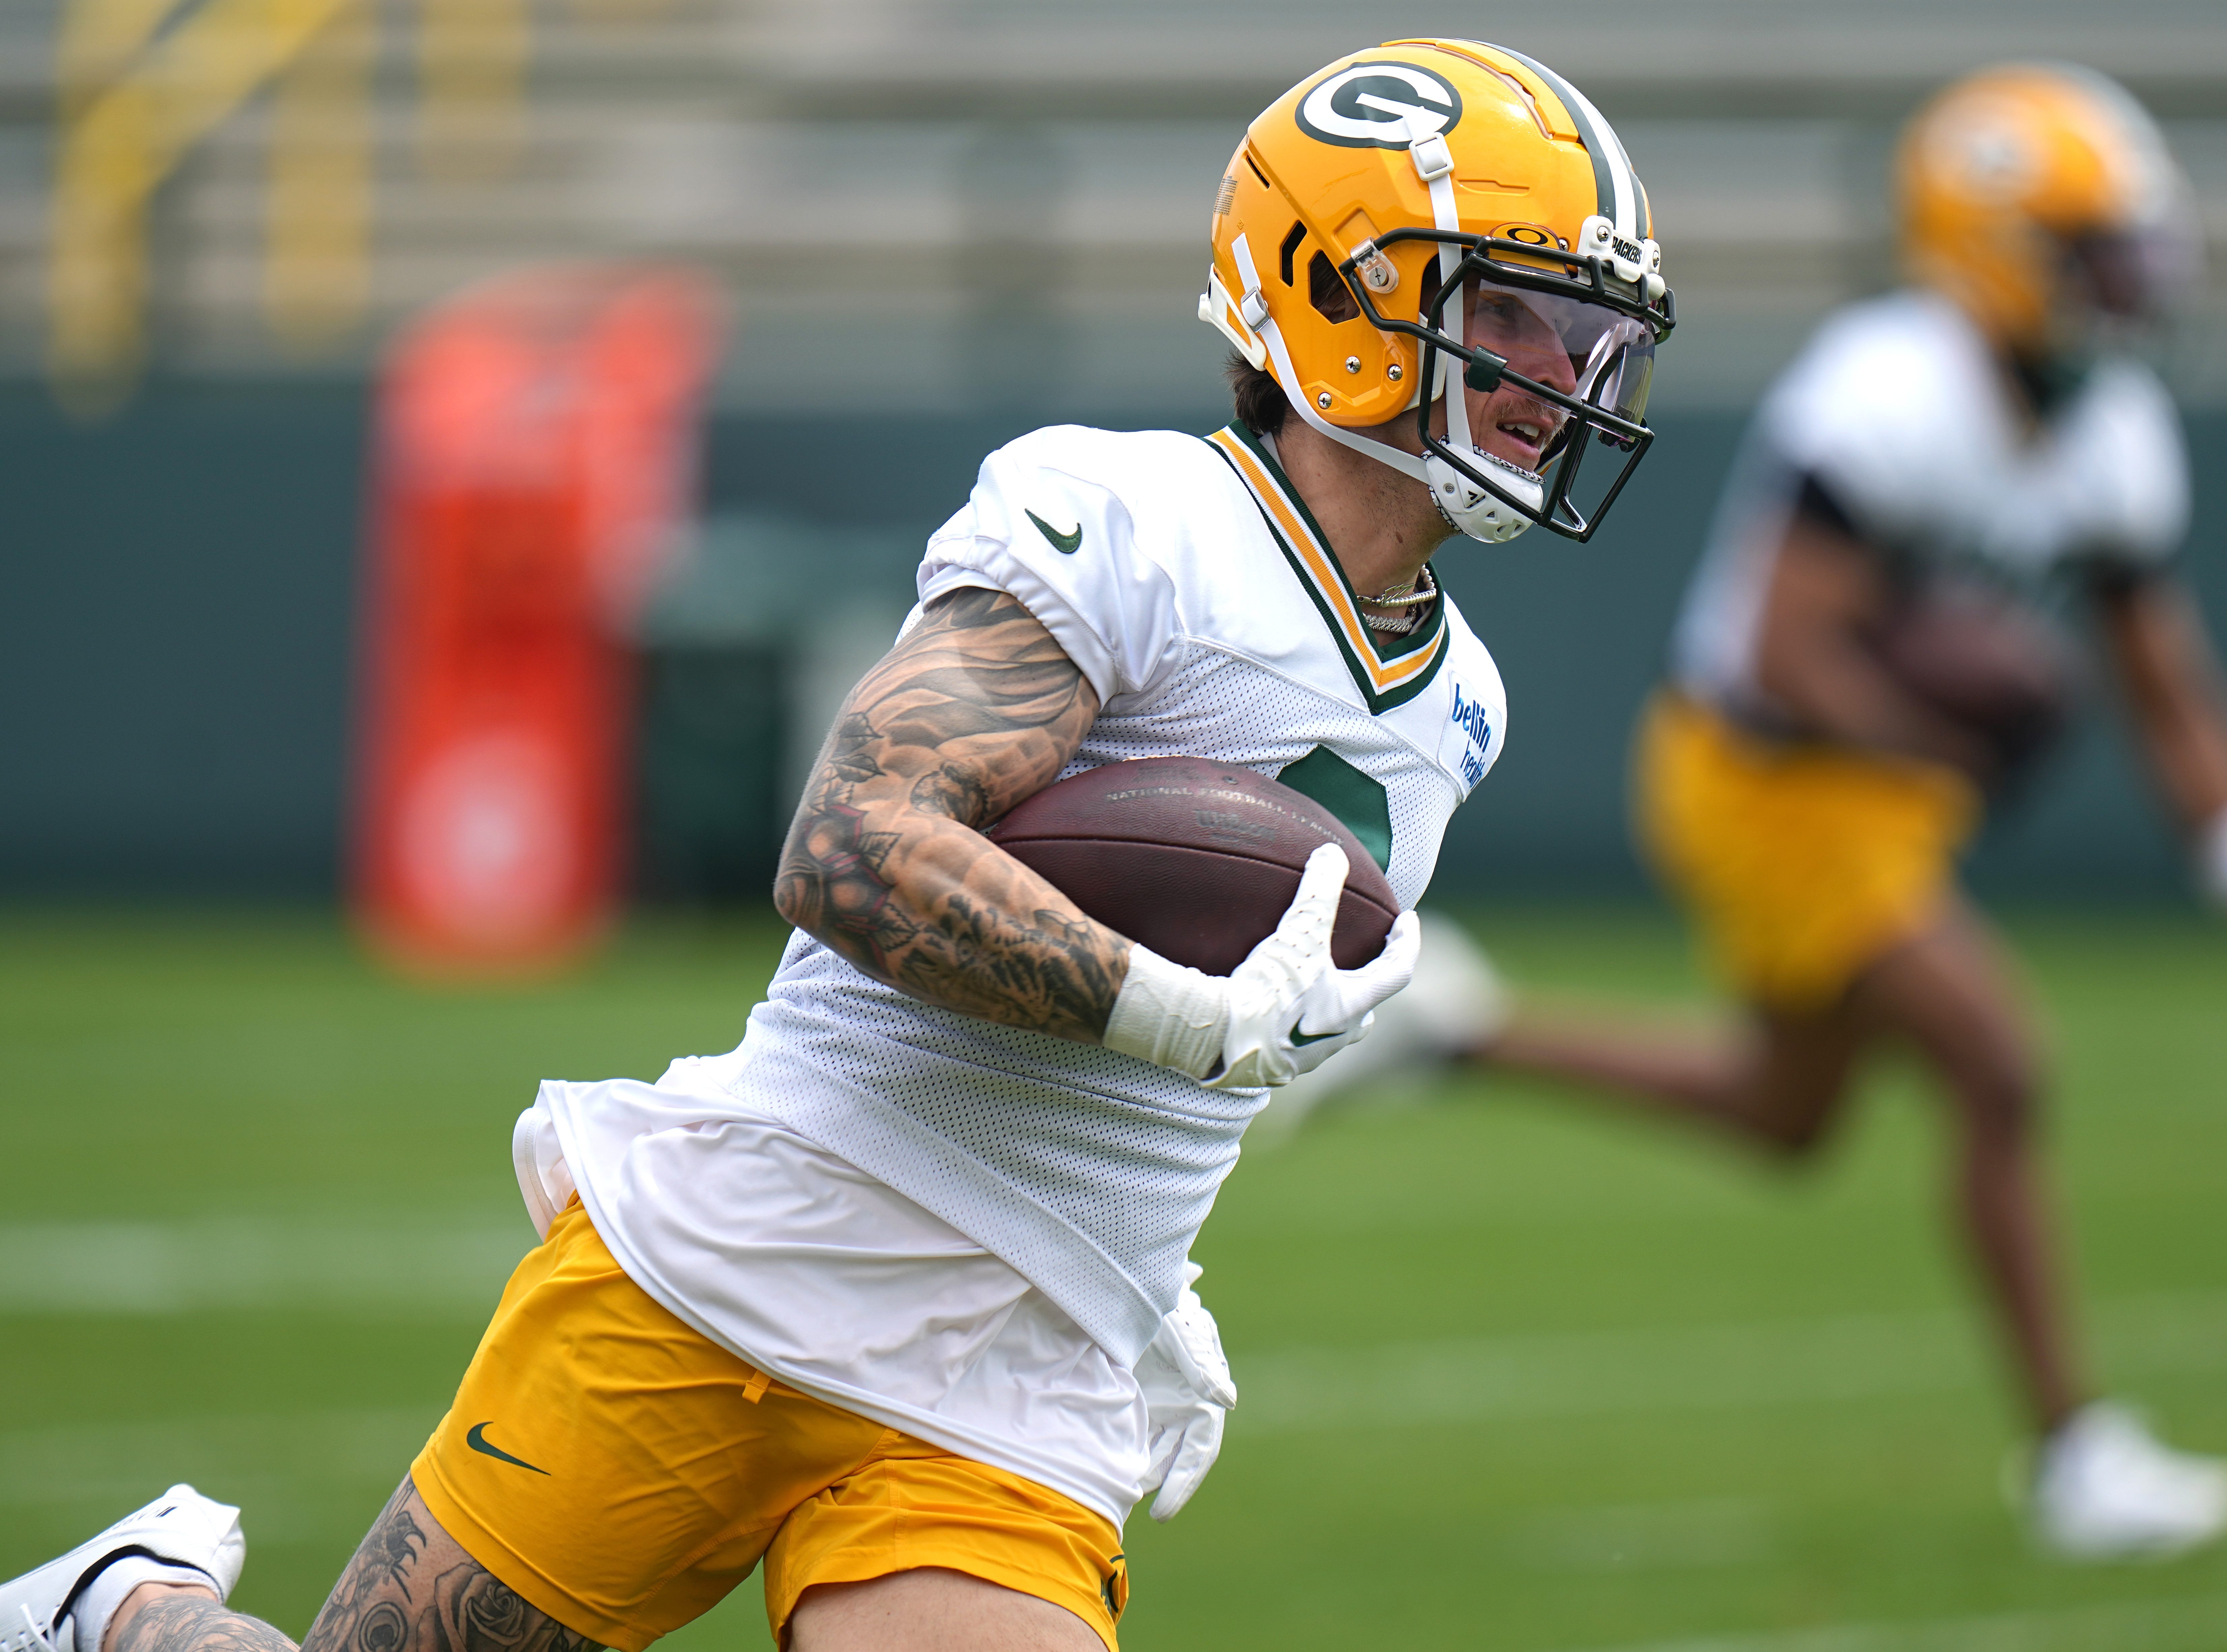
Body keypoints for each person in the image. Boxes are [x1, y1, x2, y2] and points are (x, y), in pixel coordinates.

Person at [1, 39, 1671, 1652]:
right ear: (1332, 291)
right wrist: (1167, 1011)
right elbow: (852, 845)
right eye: (1512, 312)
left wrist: (1142, 1231)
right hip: (753, 1257)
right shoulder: (1142, 518)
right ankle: (133, 1606)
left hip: (1025, 1364)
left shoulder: (1464, 705)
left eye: (1586, 338)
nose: (1559, 381)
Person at [1470, 63, 2227, 1561]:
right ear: (1991, 244)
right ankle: (2074, 1455)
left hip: (1872, 794)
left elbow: (2175, 704)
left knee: (1786, 1118)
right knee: (1998, 1060)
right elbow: (1785, 649)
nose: (2117, 288)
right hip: (1754, 773)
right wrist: (1939, 741)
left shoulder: (2107, 432)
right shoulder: (1889, 391)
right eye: (2086, 254)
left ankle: (1452, 1037)